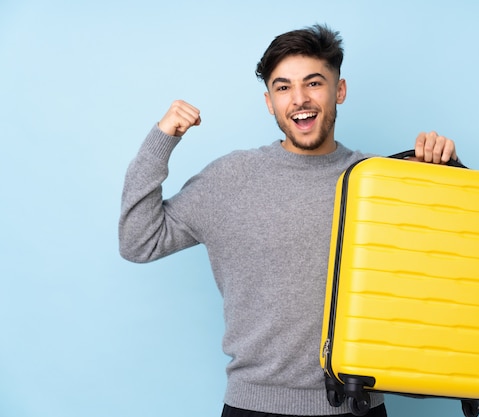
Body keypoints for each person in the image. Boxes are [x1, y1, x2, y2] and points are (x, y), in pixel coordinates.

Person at [119, 24, 458, 417]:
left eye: (314, 83)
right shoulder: (231, 178)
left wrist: (444, 177)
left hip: (358, 405)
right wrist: (161, 140)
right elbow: (138, 240)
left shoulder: (380, 181)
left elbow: (447, 271)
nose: (299, 99)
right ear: (269, 102)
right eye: (283, 88)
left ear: (340, 91)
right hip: (253, 406)